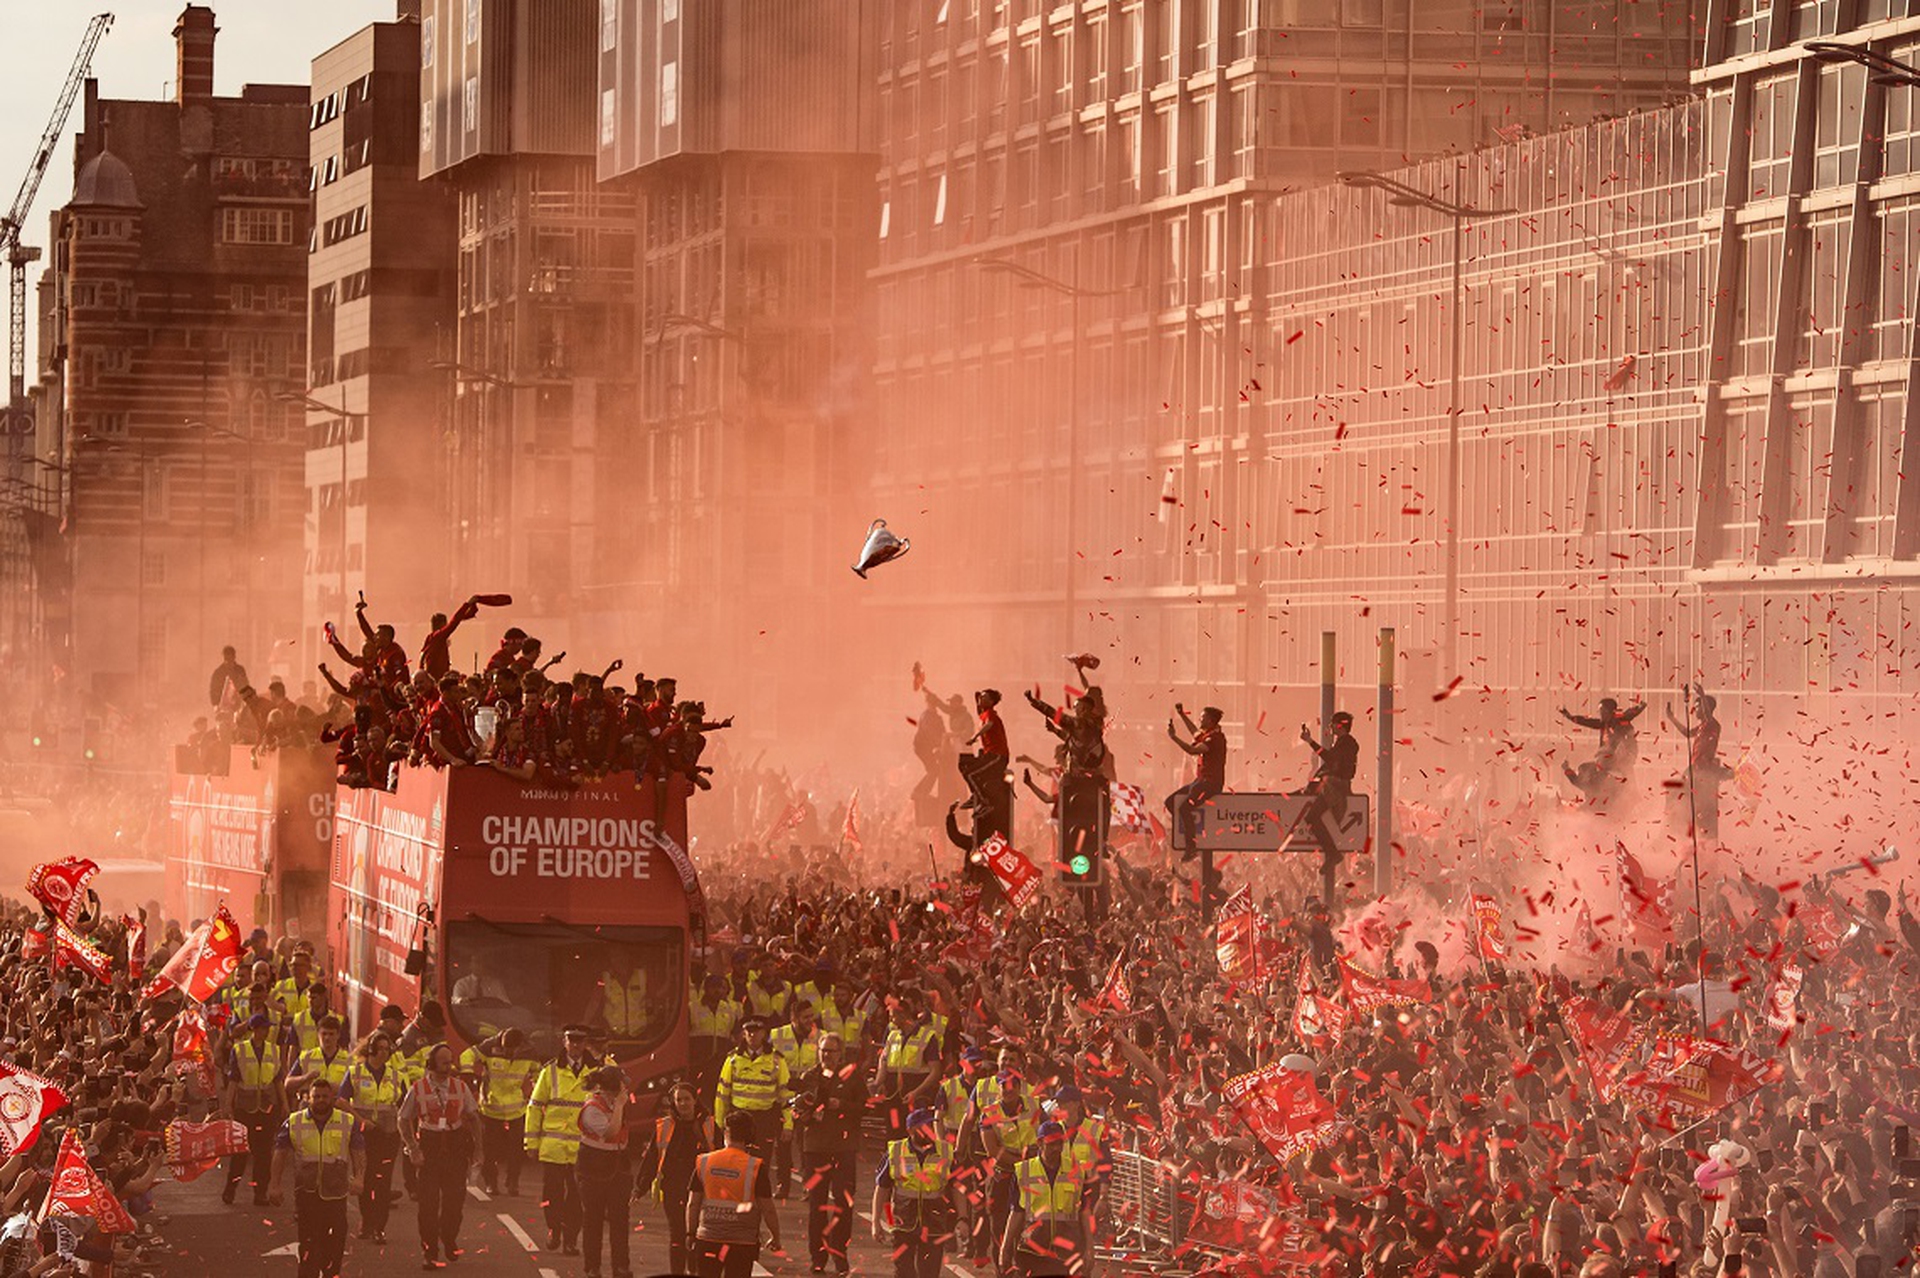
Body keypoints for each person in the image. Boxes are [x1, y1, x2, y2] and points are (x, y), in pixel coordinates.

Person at [269, 1077, 366, 1278]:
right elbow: (280, 1153)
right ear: (309, 1098)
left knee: (335, 1244)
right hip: (307, 1194)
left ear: (332, 1098)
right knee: (309, 1246)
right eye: (316, 1096)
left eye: (325, 1096)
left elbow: (358, 1151)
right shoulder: (294, 1122)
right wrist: (274, 1185)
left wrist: (359, 1177)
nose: (321, 1100)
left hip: (336, 1195)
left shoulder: (347, 1121)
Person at [400, 1042, 479, 1268]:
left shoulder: (460, 1087)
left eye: (450, 1061)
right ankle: (430, 1251)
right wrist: (413, 1148)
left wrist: (479, 1150)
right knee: (428, 1204)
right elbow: (403, 1119)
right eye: (444, 1062)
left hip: (455, 1146)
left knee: (455, 1201)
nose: (449, 1065)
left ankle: (449, 1237)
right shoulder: (418, 1089)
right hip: (430, 1146)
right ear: (432, 1064)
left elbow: (474, 1118)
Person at [797, 1033, 866, 1274]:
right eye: (823, 1050)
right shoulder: (809, 1077)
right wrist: (807, 1114)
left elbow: (866, 1107)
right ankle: (817, 1257)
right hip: (816, 1148)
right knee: (817, 1205)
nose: (826, 1055)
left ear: (840, 1053)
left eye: (831, 1051)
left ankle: (840, 1256)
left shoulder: (852, 1076)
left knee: (843, 1203)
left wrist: (841, 1105)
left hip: (843, 1149)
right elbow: (797, 1112)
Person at [526, 1023, 596, 1254]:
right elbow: (535, 1107)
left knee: (577, 1197)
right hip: (554, 1147)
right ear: (564, 1042)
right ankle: (554, 1228)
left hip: (583, 1148)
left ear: (586, 1044)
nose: (575, 1045)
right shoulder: (550, 1071)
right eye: (571, 1040)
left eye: (580, 1041)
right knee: (552, 1194)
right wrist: (531, 1143)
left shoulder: (596, 1072)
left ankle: (570, 1239)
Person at [688, 1111, 783, 1278]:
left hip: (708, 1238)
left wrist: (690, 1233)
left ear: (726, 1133)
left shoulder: (704, 1161)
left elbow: (693, 1204)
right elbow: (768, 1209)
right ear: (750, 1135)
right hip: (742, 1243)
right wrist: (775, 1237)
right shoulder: (755, 1167)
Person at [636, 1080, 717, 1275]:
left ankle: (694, 1271)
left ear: (695, 1100)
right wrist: (640, 1187)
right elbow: (652, 1158)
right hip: (673, 1188)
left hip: (701, 1189)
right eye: (678, 1100)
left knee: (697, 1235)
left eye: (687, 1099)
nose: (683, 1104)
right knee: (677, 1234)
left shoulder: (709, 1124)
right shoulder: (665, 1125)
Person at [999, 1121, 1094, 1278]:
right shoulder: (1023, 1171)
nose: (1056, 1148)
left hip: (1067, 1253)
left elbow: (1085, 1212)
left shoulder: (1076, 1171)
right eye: (1051, 1144)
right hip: (1032, 1253)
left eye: (1059, 1143)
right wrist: (1005, 1249)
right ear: (1040, 1143)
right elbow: (1016, 1212)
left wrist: (1090, 1247)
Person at [873, 1107, 957, 1278]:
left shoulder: (945, 1151)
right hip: (902, 1223)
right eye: (923, 1127)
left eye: (930, 1126)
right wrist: (876, 1222)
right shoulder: (896, 1151)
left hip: (934, 1223)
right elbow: (882, 1188)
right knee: (904, 1272)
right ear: (910, 1130)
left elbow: (957, 1187)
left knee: (929, 1273)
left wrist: (963, 1218)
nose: (929, 1131)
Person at [339, 1032, 405, 1244]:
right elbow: (341, 1101)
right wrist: (360, 1120)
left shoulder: (395, 1075)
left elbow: (405, 1104)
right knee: (365, 1179)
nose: (384, 1053)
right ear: (371, 1050)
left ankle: (379, 1228)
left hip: (388, 1135)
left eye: (387, 1049)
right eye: (381, 1048)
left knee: (383, 1182)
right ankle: (367, 1222)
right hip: (363, 1135)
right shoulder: (355, 1072)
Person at [222, 1012, 287, 1206]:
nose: (266, 1031)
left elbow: (278, 1080)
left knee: (264, 1154)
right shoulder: (240, 1050)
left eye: (267, 1028)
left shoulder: (273, 1050)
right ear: (254, 1029)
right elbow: (234, 1079)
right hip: (245, 1108)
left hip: (267, 1108)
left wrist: (284, 1103)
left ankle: (260, 1193)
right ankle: (230, 1189)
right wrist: (228, 1105)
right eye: (263, 1028)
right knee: (240, 1152)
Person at [575, 1065, 633, 1278]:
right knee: (593, 1219)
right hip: (594, 1169)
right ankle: (593, 1266)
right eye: (622, 1086)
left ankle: (621, 1266)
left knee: (620, 1219)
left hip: (618, 1167)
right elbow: (610, 1132)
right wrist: (619, 1106)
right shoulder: (593, 1108)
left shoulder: (617, 1104)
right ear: (613, 1088)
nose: (626, 1090)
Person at [1297, 711, 1359, 905]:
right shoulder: (1343, 743)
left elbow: (1331, 759)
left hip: (1335, 787)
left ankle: (1332, 853)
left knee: (1312, 817)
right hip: (1333, 785)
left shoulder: (1348, 743)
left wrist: (1311, 742)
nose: (1330, 728)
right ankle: (1332, 852)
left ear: (1340, 725)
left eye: (1332, 724)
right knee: (1313, 816)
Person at [464, 1027, 535, 1196]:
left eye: (511, 1049)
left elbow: (539, 1072)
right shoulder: (489, 1046)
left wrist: (535, 1090)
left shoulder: (529, 1052)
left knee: (516, 1150)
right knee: (490, 1149)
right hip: (491, 1108)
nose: (507, 1052)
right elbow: (466, 1055)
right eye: (505, 1048)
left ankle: (513, 1182)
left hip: (517, 1109)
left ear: (520, 1046)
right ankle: (491, 1182)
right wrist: (467, 1074)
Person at [715, 1015, 790, 1161]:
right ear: (743, 1033)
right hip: (738, 1117)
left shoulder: (776, 1060)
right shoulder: (733, 1059)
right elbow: (722, 1094)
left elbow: (786, 1094)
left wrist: (788, 1125)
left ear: (764, 1033)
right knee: (736, 1160)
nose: (752, 1035)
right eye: (748, 1031)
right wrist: (719, 1123)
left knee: (762, 1161)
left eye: (756, 1031)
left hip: (764, 1119)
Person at [769, 999, 822, 1198]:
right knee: (782, 1144)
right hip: (782, 1097)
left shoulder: (820, 1037)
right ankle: (783, 1185)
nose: (810, 1020)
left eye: (811, 1016)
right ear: (794, 1018)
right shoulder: (776, 1035)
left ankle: (809, 1186)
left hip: (807, 1099)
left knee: (806, 1145)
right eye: (805, 1017)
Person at [1665, 684, 1729, 838]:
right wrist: (1672, 718)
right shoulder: (1701, 727)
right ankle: (1674, 827)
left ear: (1707, 708)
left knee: (1697, 804)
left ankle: (1691, 832)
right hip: (1694, 768)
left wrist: (1702, 694)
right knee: (1674, 792)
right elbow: (1687, 733)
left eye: (1698, 707)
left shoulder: (1712, 725)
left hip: (1703, 771)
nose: (1695, 711)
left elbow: (1708, 715)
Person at [1164, 703, 1228, 855]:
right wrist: (1182, 714)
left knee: (1184, 807)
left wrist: (1174, 738)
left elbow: (1192, 750)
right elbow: (1195, 732)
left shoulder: (1215, 739)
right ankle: (1187, 829)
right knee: (1170, 802)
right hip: (1200, 780)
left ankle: (1191, 845)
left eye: (1203, 717)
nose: (1200, 719)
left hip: (1210, 783)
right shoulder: (1208, 734)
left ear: (1211, 720)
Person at [1559, 696, 1647, 796]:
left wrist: (1640, 707)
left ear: (1609, 712)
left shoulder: (1620, 722)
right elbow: (1586, 721)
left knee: (1627, 780)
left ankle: (1631, 796)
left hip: (1618, 761)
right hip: (1606, 761)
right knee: (1584, 768)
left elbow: (1630, 714)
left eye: (1602, 711)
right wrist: (1569, 716)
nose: (1600, 714)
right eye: (1599, 711)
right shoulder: (1603, 724)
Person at [584, 945, 649, 1043]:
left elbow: (659, 995)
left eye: (620, 955)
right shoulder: (604, 979)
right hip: (613, 1034)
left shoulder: (641, 975)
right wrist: (585, 1022)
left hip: (641, 1034)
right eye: (613, 956)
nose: (617, 959)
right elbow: (594, 1001)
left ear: (627, 956)